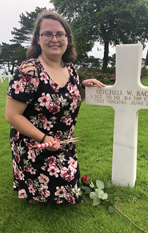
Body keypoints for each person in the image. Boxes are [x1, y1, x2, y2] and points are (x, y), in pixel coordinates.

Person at [5, 10, 105, 204]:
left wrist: (83, 87)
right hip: (34, 144)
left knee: (69, 189)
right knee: (54, 193)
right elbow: (12, 115)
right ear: (37, 39)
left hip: (63, 143)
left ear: (67, 38)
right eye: (47, 34)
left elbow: (65, 103)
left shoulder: (71, 69)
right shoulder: (29, 71)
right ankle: (32, 186)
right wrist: (44, 139)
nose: (54, 39)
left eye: (60, 34)